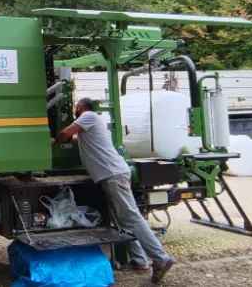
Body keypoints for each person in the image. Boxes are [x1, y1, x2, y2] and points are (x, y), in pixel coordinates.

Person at [52, 97, 175, 285]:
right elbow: (76, 138)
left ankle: (160, 258)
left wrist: (54, 140)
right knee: (122, 219)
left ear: (79, 107)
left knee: (131, 217)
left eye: (75, 108)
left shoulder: (89, 116)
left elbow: (66, 133)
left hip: (113, 175)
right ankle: (140, 261)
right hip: (112, 176)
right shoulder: (90, 125)